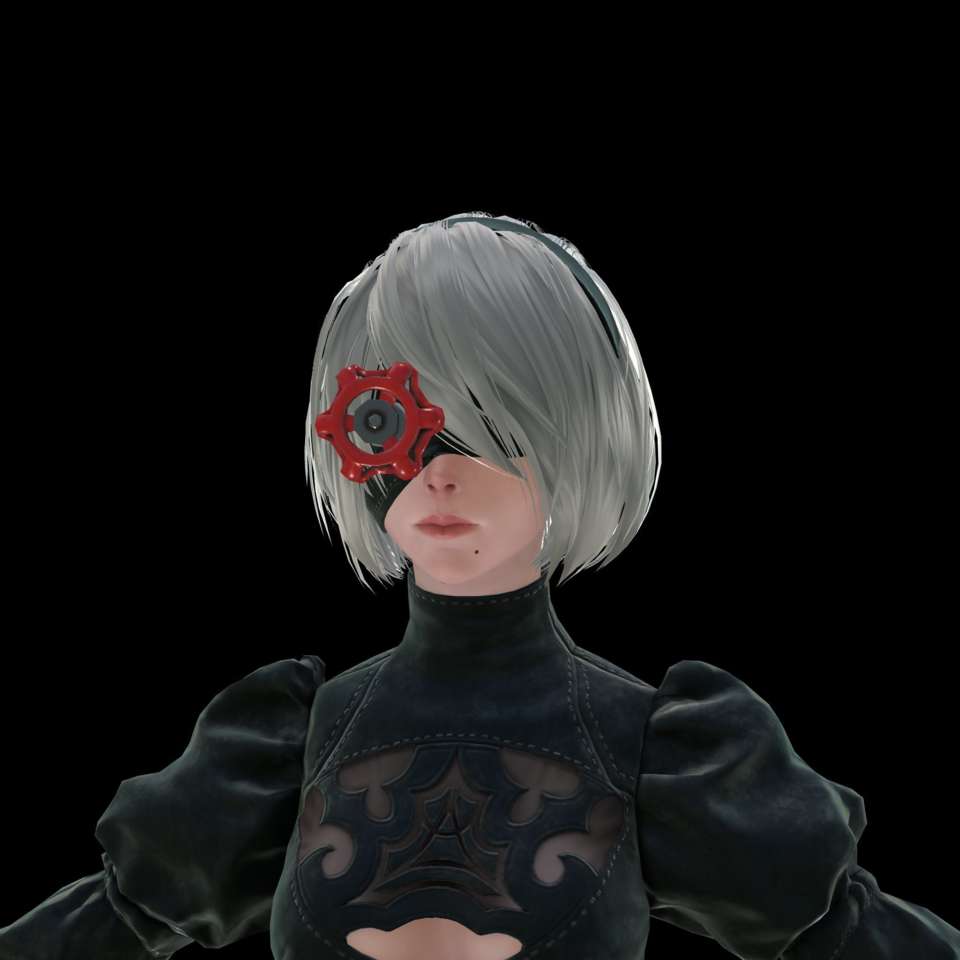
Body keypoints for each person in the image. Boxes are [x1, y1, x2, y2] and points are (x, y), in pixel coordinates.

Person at [2, 212, 957, 958]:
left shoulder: (658, 745)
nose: (441, 474)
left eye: (492, 428)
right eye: (393, 425)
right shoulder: (296, 736)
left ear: (572, 435)